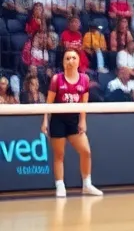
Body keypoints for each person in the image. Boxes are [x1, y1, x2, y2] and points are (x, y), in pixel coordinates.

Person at [42, 48, 103, 198]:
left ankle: (87, 184)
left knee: (86, 151)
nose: (70, 61)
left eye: (73, 58)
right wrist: (45, 121)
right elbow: (48, 103)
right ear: (63, 62)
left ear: (78, 61)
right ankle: (60, 185)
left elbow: (84, 103)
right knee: (59, 154)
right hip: (58, 120)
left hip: (74, 120)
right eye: (67, 58)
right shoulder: (57, 79)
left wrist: (83, 121)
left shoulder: (85, 79)